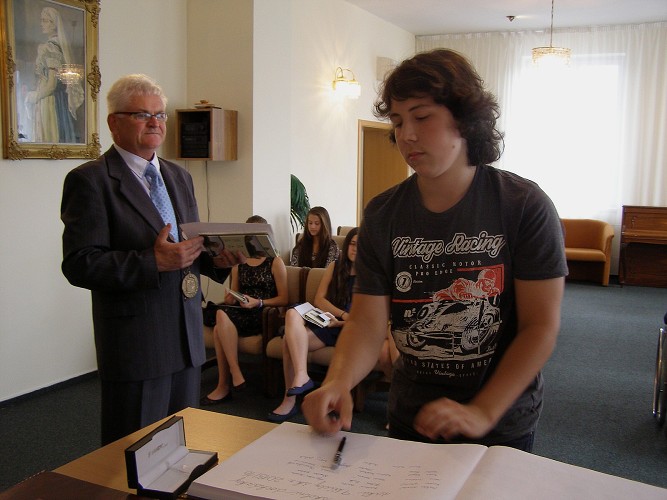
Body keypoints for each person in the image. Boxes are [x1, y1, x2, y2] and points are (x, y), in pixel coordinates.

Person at [302, 49, 567, 452]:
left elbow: (540, 327)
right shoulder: (383, 213)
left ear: (465, 119)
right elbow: (368, 323)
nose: (406, 134)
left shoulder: (523, 205)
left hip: (501, 423)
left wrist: (482, 411)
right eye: (397, 121)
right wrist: (339, 381)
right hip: (412, 417)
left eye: (422, 117)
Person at [60, 74, 241, 445]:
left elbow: (185, 247)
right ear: (114, 122)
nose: (155, 122)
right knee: (134, 451)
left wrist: (218, 261)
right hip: (137, 343)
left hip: (187, 336)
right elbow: (79, 263)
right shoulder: (91, 181)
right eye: (142, 114)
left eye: (160, 114)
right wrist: (151, 261)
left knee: (182, 445)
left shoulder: (179, 176)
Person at [269, 228, 359, 422]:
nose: (355, 249)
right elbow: (319, 299)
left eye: (360, 246)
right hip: (326, 318)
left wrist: (341, 320)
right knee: (292, 312)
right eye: (352, 244)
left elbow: (363, 318)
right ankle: (301, 375)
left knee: (288, 342)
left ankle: (289, 400)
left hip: (343, 327)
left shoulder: (369, 276)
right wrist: (339, 313)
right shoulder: (335, 266)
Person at [201, 215, 289, 405]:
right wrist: (231, 298)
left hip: (262, 312)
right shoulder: (239, 263)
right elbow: (235, 292)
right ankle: (233, 375)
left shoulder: (275, 262)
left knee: (219, 324)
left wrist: (258, 302)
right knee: (220, 317)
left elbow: (284, 298)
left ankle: (226, 383)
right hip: (240, 310)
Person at [24, 7, 83, 143]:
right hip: (52, 99)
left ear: (54, 24)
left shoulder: (51, 47)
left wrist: (34, 96)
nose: (41, 24)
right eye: (42, 20)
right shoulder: (55, 46)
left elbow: (51, 84)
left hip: (49, 101)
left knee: (50, 135)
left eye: (45, 21)